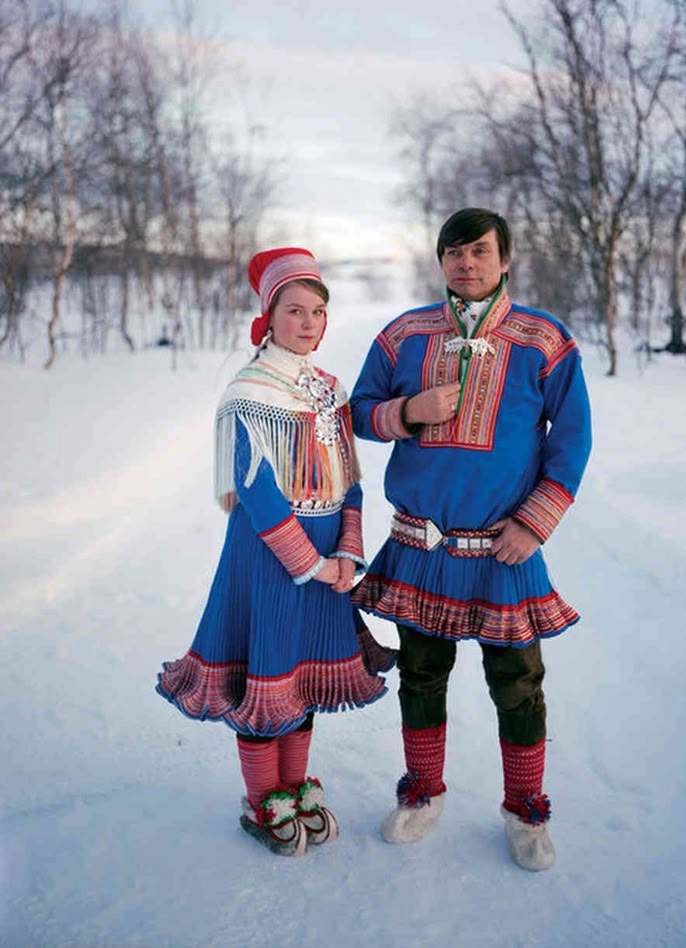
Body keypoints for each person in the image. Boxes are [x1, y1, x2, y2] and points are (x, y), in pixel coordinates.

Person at [349, 208, 592, 871]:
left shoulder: (545, 339)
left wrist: (534, 521)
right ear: (442, 262)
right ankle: (423, 794)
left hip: (503, 550)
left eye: (480, 251)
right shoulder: (404, 335)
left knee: (518, 683)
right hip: (422, 547)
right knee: (422, 675)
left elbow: (571, 442)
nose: (466, 263)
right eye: (454, 252)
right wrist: (407, 412)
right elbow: (358, 412)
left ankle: (525, 811)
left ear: (505, 259)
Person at [157, 247, 394, 858]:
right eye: (295, 310)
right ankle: (265, 796)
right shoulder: (250, 393)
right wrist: (310, 564)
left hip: (327, 560)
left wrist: (347, 553)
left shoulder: (329, 390)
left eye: (319, 311)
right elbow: (259, 494)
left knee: (302, 678)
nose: (310, 323)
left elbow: (351, 480)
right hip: (271, 559)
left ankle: (295, 785)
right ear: (270, 315)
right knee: (265, 672)